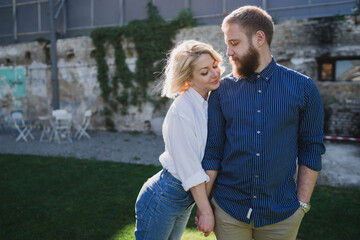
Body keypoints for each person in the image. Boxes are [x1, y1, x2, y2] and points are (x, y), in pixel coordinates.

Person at [200, 6, 326, 240]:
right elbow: (213, 150)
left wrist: (302, 205)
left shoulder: (304, 88)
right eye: (227, 43)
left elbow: (311, 148)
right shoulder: (220, 91)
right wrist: (205, 207)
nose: (228, 52)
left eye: (234, 43)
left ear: (259, 38)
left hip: (282, 215)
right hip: (229, 211)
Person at [134, 40, 224, 240]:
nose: (215, 73)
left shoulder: (207, 101)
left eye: (214, 66)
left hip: (184, 197)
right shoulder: (182, 110)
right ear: (188, 80)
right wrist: (206, 211)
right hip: (164, 196)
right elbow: (190, 168)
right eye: (204, 72)